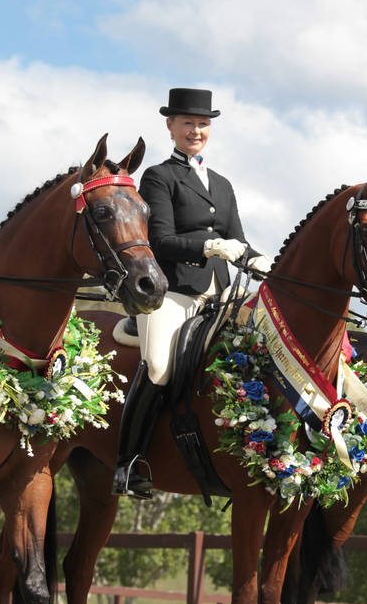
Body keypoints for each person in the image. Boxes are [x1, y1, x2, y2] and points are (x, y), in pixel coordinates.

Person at [112, 88, 271, 499]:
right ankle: (130, 462)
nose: (195, 131)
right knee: (160, 366)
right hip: (174, 292)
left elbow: (237, 241)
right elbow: (160, 239)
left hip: (221, 296)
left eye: (202, 124)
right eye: (187, 123)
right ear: (171, 126)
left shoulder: (222, 183)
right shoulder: (159, 177)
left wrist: (264, 263)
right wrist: (206, 245)